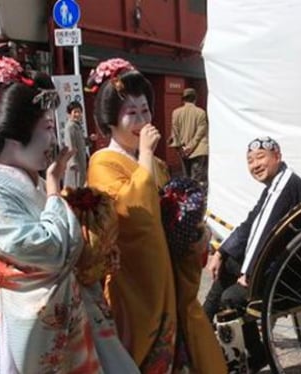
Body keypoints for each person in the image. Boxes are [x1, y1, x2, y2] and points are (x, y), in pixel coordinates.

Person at [0, 57, 138, 373]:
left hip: (58, 318)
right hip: (15, 329)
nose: (53, 140)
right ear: (14, 134)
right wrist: (54, 191)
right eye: (46, 128)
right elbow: (49, 250)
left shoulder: (30, 181)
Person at [86, 58, 226, 374]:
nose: (141, 120)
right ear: (110, 120)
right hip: (133, 284)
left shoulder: (153, 164)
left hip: (164, 272)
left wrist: (192, 234)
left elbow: (166, 217)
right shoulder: (103, 163)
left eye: (145, 110)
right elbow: (136, 216)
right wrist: (147, 154)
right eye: (131, 113)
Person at [203, 136, 301, 321]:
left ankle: (253, 349)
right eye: (250, 161)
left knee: (231, 298)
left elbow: (263, 230)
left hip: (296, 271)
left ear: (277, 156)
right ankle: (201, 323)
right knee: (228, 263)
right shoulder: (277, 182)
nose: (255, 165)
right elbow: (250, 224)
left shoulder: (284, 184)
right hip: (286, 260)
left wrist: (250, 274)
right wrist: (221, 252)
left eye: (261, 157)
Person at [169, 88, 209, 187]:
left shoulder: (176, 112)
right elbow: (200, 132)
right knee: (196, 177)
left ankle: (187, 197)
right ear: (195, 98)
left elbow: (175, 131)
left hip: (183, 149)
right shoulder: (201, 112)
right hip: (198, 149)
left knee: (186, 175)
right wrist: (191, 147)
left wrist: (181, 147)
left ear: (183, 99)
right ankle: (195, 197)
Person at [63, 100, 87, 188]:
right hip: (75, 164)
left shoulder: (77, 126)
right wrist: (73, 162)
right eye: (75, 112)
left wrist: (89, 140)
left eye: (79, 112)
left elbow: (79, 141)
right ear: (69, 114)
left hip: (80, 161)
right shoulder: (70, 127)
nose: (77, 114)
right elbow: (70, 144)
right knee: (74, 187)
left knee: (80, 185)